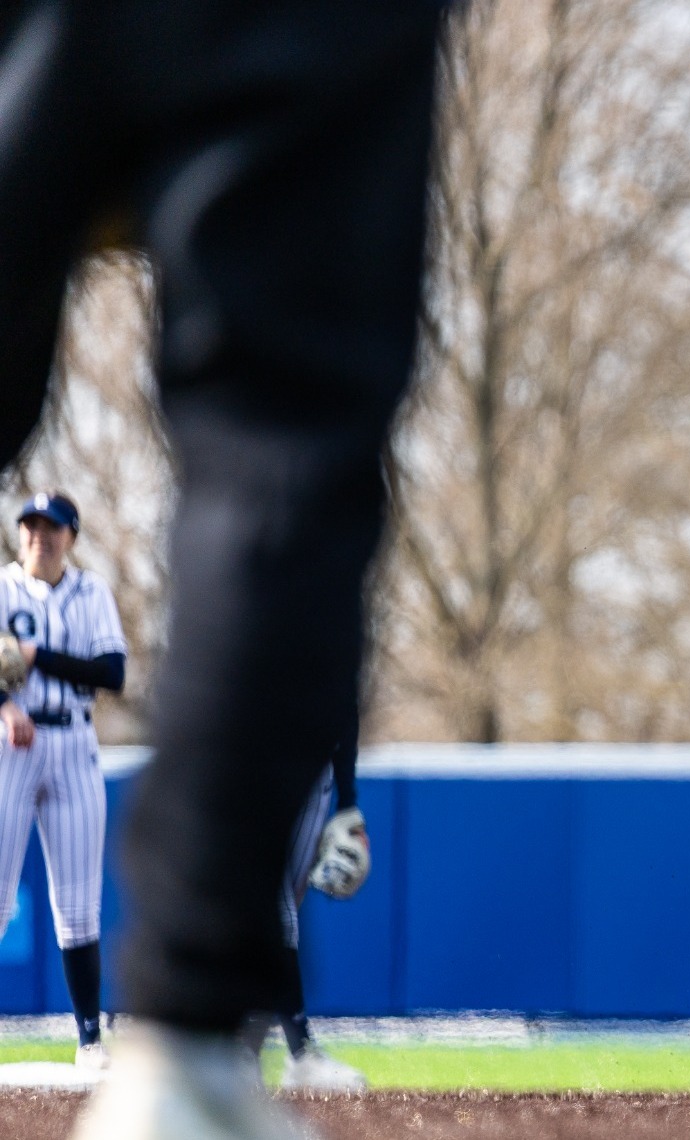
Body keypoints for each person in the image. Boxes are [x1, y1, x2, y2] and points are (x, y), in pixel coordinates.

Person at [0, 2, 448, 1136]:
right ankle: (185, 1055)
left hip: (61, 739)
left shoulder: (78, 586)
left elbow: (102, 663)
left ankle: (172, 1040)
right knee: (278, 445)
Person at [0, 492, 125, 1073]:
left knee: (78, 906)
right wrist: (4, 705)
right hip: (11, 747)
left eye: (50, 528)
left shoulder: (91, 592)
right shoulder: (3, 588)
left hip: (74, 742)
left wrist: (36, 655)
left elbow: (111, 672)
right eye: (30, 525)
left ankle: (90, 1040)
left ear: (70, 536)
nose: (37, 536)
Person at [242, 731, 367, 1093]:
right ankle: (297, 1052)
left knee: (282, 918)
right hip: (258, 764)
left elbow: (344, 701)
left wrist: (348, 802)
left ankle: (250, 1049)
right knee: (275, 914)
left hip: (317, 773)